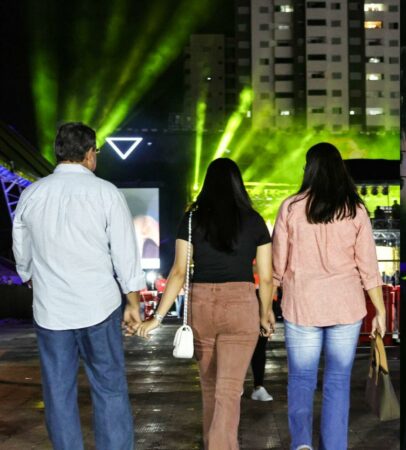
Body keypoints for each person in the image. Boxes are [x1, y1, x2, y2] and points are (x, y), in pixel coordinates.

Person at [12, 122, 144, 450]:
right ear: (89, 154)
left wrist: (33, 277)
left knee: (58, 393)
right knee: (109, 389)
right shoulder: (106, 193)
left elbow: (22, 255)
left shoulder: (32, 194)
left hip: (51, 311)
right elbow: (125, 253)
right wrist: (133, 302)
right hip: (99, 307)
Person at [136, 158, 275, 450]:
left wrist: (157, 317)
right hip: (241, 305)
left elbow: (177, 272)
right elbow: (265, 276)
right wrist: (265, 313)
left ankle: (214, 443)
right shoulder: (254, 220)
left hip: (201, 306)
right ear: (238, 184)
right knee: (228, 390)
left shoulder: (191, 219)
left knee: (211, 388)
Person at [272, 142, 386, 450]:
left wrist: (267, 303)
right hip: (346, 306)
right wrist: (381, 312)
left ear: (308, 169)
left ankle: (302, 444)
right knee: (338, 381)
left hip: (301, 305)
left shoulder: (291, 208)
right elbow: (369, 267)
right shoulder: (356, 210)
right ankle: (334, 445)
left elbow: (276, 266)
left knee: (301, 380)